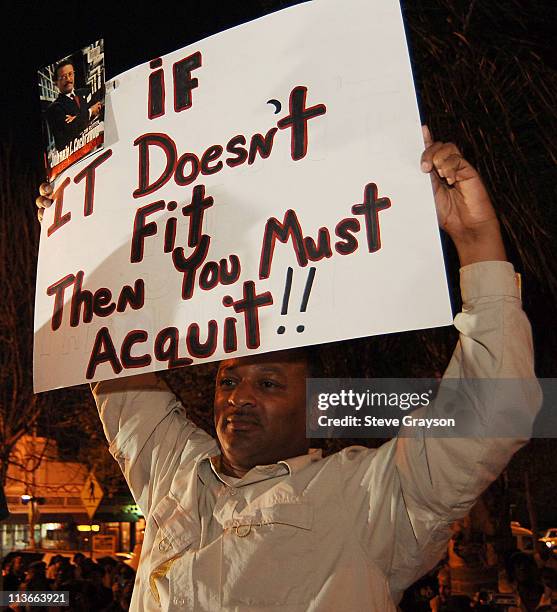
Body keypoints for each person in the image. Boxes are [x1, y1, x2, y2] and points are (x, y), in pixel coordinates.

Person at [36, 128, 542, 611]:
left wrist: (476, 241)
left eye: (270, 383)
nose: (239, 397)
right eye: (228, 380)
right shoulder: (175, 474)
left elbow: (495, 409)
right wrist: (75, 238)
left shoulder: (368, 499)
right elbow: (109, 347)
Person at [46, 60, 102, 151]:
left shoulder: (85, 92)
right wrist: (90, 111)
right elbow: (70, 130)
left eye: (70, 74)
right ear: (56, 83)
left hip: (97, 146)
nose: (68, 79)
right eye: (63, 77)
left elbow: (99, 106)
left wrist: (76, 118)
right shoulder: (54, 108)